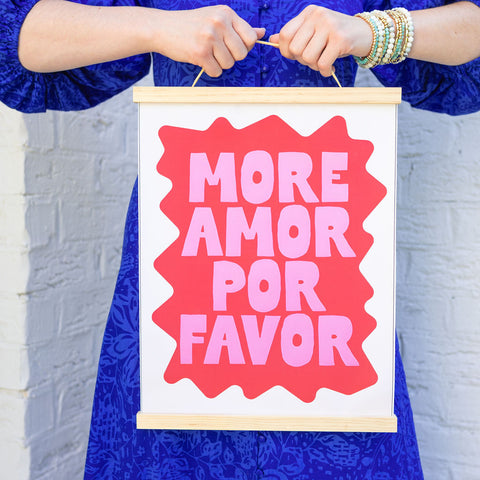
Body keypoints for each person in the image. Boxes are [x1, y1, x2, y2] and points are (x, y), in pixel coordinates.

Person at [1, 1, 480, 478]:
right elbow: (18, 38)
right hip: (188, 265)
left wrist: (370, 31)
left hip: (319, 277)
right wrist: (157, 27)